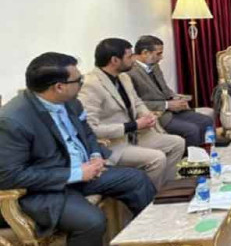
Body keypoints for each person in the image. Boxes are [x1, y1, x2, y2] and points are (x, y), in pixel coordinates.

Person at [0, 52, 156, 246]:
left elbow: (87, 133)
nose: (82, 83)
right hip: (43, 189)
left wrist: (95, 155)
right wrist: (76, 173)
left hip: (83, 171)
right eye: (78, 80)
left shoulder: (71, 101)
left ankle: (151, 241)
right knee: (90, 220)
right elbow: (9, 176)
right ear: (59, 87)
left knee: (136, 180)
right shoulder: (13, 120)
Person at [78, 38, 185, 190]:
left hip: (136, 136)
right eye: (129, 56)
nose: (134, 59)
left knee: (177, 143)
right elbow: (91, 128)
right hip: (114, 145)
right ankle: (151, 197)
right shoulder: (91, 84)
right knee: (157, 158)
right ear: (114, 60)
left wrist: (148, 115)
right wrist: (133, 125)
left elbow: (137, 102)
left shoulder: (124, 77)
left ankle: (167, 188)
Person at [127, 35, 213, 147]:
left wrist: (176, 97)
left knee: (207, 121)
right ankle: (188, 157)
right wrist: (167, 105)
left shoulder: (154, 66)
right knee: (192, 130)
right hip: (157, 115)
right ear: (145, 53)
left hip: (171, 111)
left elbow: (164, 89)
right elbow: (135, 103)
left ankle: (206, 152)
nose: (161, 57)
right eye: (158, 54)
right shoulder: (129, 72)